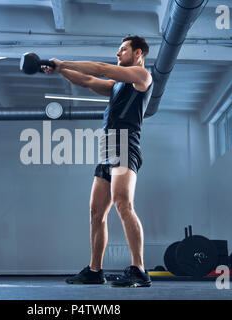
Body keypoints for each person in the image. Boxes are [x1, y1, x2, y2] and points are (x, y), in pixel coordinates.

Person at [43, 35, 153, 287]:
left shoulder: (142, 77)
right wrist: (61, 70)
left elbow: (101, 69)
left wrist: (62, 62)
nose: (118, 53)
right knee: (95, 212)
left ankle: (139, 269)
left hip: (125, 142)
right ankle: (95, 271)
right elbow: (89, 80)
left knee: (123, 203)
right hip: (107, 147)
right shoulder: (117, 84)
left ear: (138, 53)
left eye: (122, 49)